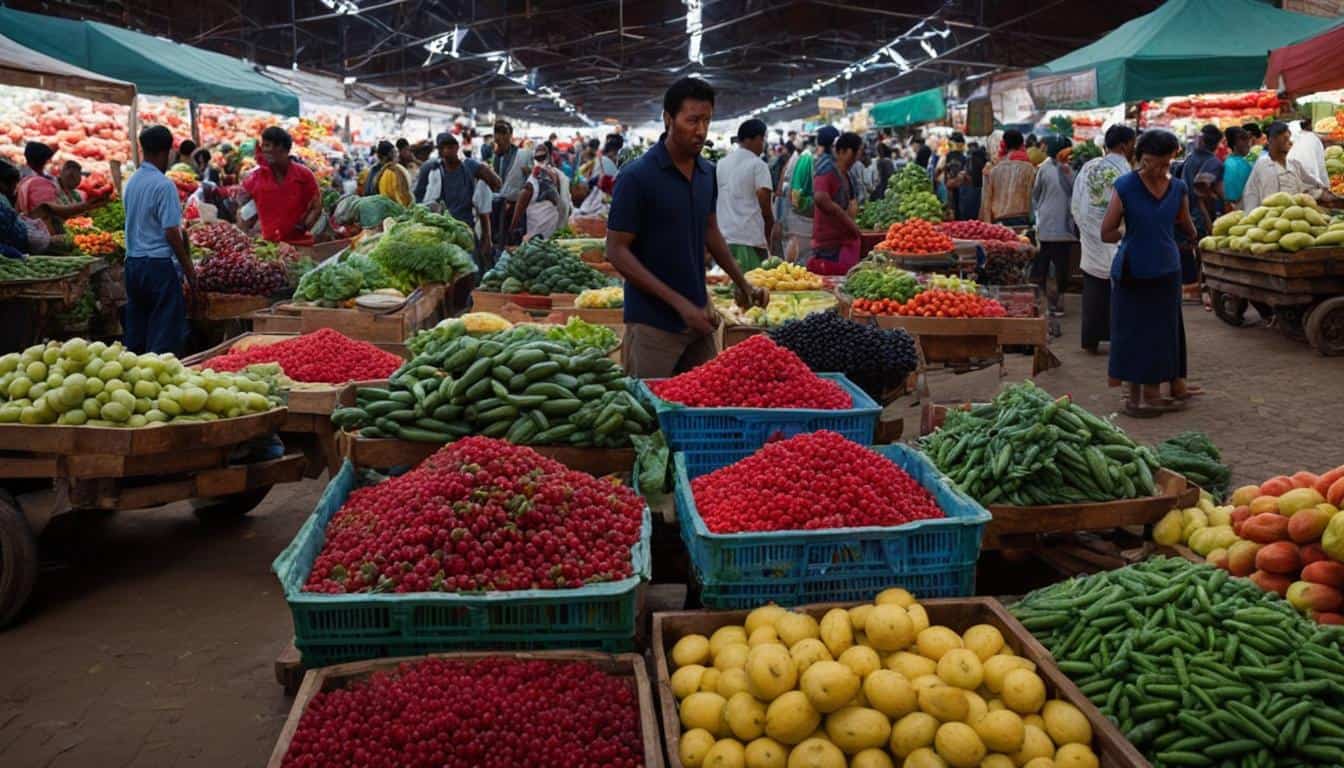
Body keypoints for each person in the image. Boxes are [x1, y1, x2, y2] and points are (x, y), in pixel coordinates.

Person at [605, 76, 766, 378]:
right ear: (668, 119)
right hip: (653, 324)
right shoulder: (637, 177)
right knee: (649, 412)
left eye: (707, 120)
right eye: (692, 120)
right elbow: (616, 251)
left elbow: (710, 231)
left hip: (699, 319)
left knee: (703, 405)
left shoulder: (707, 173)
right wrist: (679, 304)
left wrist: (743, 282)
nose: (701, 130)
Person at [1100, 129, 1198, 417]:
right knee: (1131, 332)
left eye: (1164, 163)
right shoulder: (1125, 185)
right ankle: (1133, 396)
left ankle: (1154, 394)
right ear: (1140, 157)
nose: (1156, 169)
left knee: (1161, 332)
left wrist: (1193, 235)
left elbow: (1186, 224)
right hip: (1132, 271)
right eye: (1151, 162)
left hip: (1167, 271)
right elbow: (1106, 231)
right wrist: (1131, 232)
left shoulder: (1178, 188)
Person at [122, 125, 197, 355]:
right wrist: (189, 270)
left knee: (139, 331)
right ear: (166, 152)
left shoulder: (132, 182)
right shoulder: (164, 185)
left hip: (133, 264)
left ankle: (133, 378)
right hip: (157, 266)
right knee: (164, 334)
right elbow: (171, 232)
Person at [1070, 124, 1135, 354]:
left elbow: (1075, 202)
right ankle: (1120, 338)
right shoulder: (1127, 172)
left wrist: (1086, 229)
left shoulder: (1088, 167)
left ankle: (1090, 339)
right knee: (1120, 289)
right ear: (1126, 145)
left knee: (1094, 288)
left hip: (1089, 235)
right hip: (1116, 235)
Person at [241, 126, 322, 244]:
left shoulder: (304, 175)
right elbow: (245, 210)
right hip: (268, 246)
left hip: (300, 244)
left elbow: (316, 206)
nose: (266, 150)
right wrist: (245, 235)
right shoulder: (255, 177)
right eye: (264, 145)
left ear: (284, 149)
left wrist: (304, 227)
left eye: (271, 145)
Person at [715, 118, 775, 271]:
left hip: (725, 239)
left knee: (726, 291)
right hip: (749, 240)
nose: (763, 144)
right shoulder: (758, 165)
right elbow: (765, 203)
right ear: (755, 139)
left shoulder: (721, 163)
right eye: (763, 139)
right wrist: (770, 231)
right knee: (751, 289)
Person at [414, 132, 502, 229]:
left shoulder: (470, 166)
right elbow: (420, 200)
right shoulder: (432, 168)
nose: (447, 151)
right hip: (441, 226)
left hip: (462, 226)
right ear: (439, 151)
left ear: (456, 147)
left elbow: (496, 183)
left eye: (450, 147)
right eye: (444, 148)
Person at [1031, 136, 1076, 317]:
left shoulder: (1045, 169)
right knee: (1060, 265)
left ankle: (1046, 301)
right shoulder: (1069, 169)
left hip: (1048, 224)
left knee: (1044, 264)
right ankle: (1056, 302)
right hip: (1061, 225)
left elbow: (1036, 194)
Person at [16, 142, 104, 234]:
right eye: (68, 170)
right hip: (42, 232)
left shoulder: (24, 179)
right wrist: (85, 206)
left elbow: (18, 209)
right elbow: (51, 212)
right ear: (46, 160)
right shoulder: (39, 183)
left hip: (30, 228)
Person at [809, 131, 864, 277]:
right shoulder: (827, 169)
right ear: (845, 151)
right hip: (829, 244)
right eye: (858, 151)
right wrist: (847, 220)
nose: (859, 155)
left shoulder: (847, 173)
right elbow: (820, 198)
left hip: (842, 242)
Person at [509, 142, 571, 241]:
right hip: (554, 233)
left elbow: (520, 207)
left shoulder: (531, 182)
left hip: (537, 237)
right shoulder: (556, 174)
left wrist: (511, 228)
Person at [1242, 121, 1308, 211]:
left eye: (1289, 138)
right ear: (1273, 141)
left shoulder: (1293, 163)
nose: (1290, 143)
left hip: (1290, 213)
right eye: (1285, 139)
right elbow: (1267, 199)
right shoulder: (1265, 165)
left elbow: (1304, 185)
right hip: (1268, 217)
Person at [980, 130, 1036, 225]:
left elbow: (987, 200)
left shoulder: (994, 170)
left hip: (1000, 219)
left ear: (1004, 144)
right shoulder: (1030, 169)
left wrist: (988, 224)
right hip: (1023, 219)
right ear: (1021, 144)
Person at [490, 120, 529, 252]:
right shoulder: (495, 157)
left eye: (503, 134)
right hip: (498, 205)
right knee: (499, 236)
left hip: (517, 205)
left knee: (515, 237)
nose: (499, 140)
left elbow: (530, 182)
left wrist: (529, 172)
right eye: (497, 136)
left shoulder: (523, 155)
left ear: (510, 136)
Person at [1288, 117, 1330, 193]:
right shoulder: (1314, 139)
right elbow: (1321, 169)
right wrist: (1326, 187)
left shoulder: (1291, 131)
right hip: (1307, 185)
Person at [1221, 126, 1254, 209]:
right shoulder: (1231, 165)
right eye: (1243, 139)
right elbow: (1231, 200)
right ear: (1235, 143)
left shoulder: (1241, 161)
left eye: (1248, 139)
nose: (1248, 143)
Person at [372, 140, 412, 206]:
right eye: (395, 152)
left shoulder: (385, 172)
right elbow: (400, 196)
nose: (397, 155)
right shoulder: (394, 170)